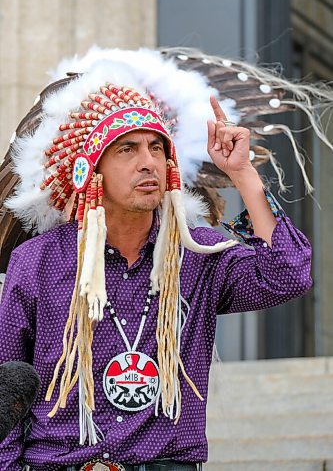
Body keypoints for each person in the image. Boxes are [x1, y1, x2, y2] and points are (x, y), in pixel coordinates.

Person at [0, 51, 312, 471]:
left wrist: (243, 174)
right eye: (127, 149)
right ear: (90, 170)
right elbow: (5, 381)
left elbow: (288, 273)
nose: (148, 161)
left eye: (157, 148)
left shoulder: (198, 254)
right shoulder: (36, 262)